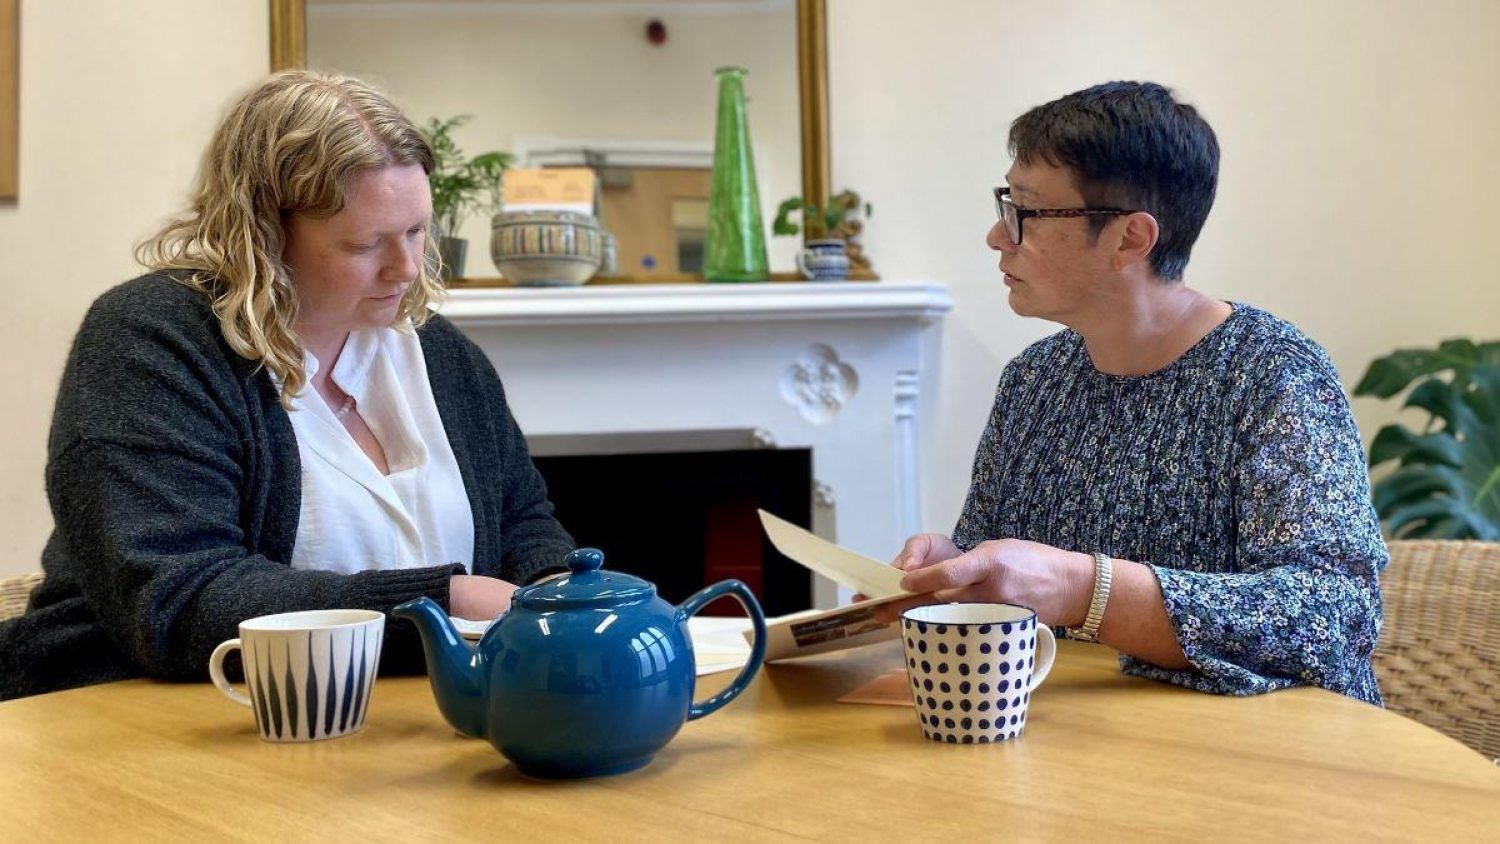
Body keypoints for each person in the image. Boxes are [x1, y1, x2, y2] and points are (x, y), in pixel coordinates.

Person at [0, 70, 574, 700]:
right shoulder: (151, 342)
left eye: (416, 231)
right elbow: (175, 600)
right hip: (140, 715)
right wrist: (443, 604)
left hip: (384, 719)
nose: (407, 269)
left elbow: (522, 519)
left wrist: (556, 590)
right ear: (265, 233)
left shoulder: (440, 355)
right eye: (366, 244)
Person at [876, 81, 1387, 703]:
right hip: (1080, 733)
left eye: (1024, 212)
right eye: (1006, 202)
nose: (996, 236)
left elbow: (1333, 617)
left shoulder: (1272, 374)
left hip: (1266, 747)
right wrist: (956, 566)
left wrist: (1084, 589)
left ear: (1130, 239)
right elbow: (1008, 568)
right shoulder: (1034, 379)